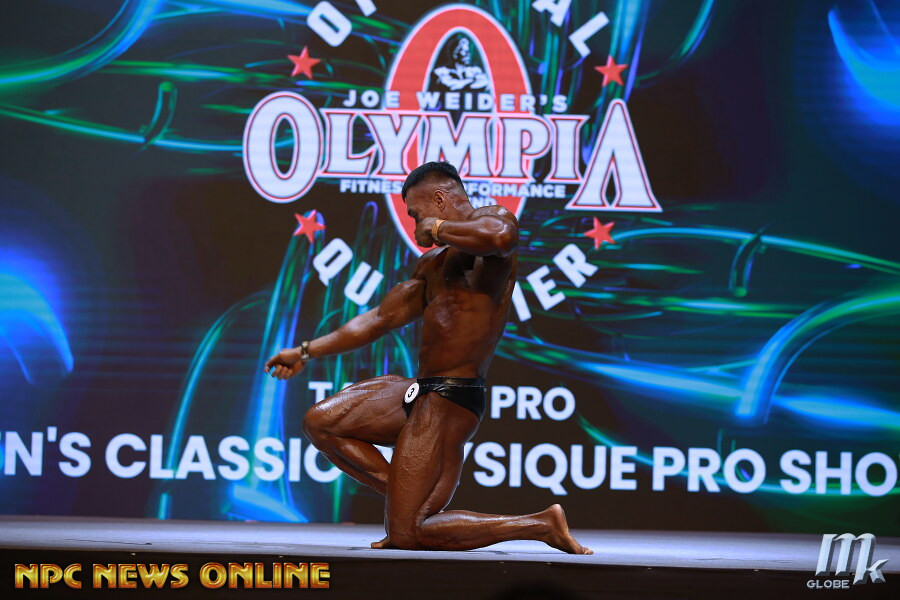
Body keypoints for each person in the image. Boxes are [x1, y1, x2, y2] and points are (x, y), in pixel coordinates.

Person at [264, 161, 591, 554]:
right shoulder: (433, 266)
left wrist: (436, 228)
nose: (414, 222)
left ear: (439, 199)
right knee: (321, 422)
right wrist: (305, 350)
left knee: (408, 535)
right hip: (421, 390)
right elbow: (377, 320)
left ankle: (539, 524)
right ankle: (408, 499)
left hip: (450, 400)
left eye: (415, 213)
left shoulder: (493, 224)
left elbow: (500, 237)